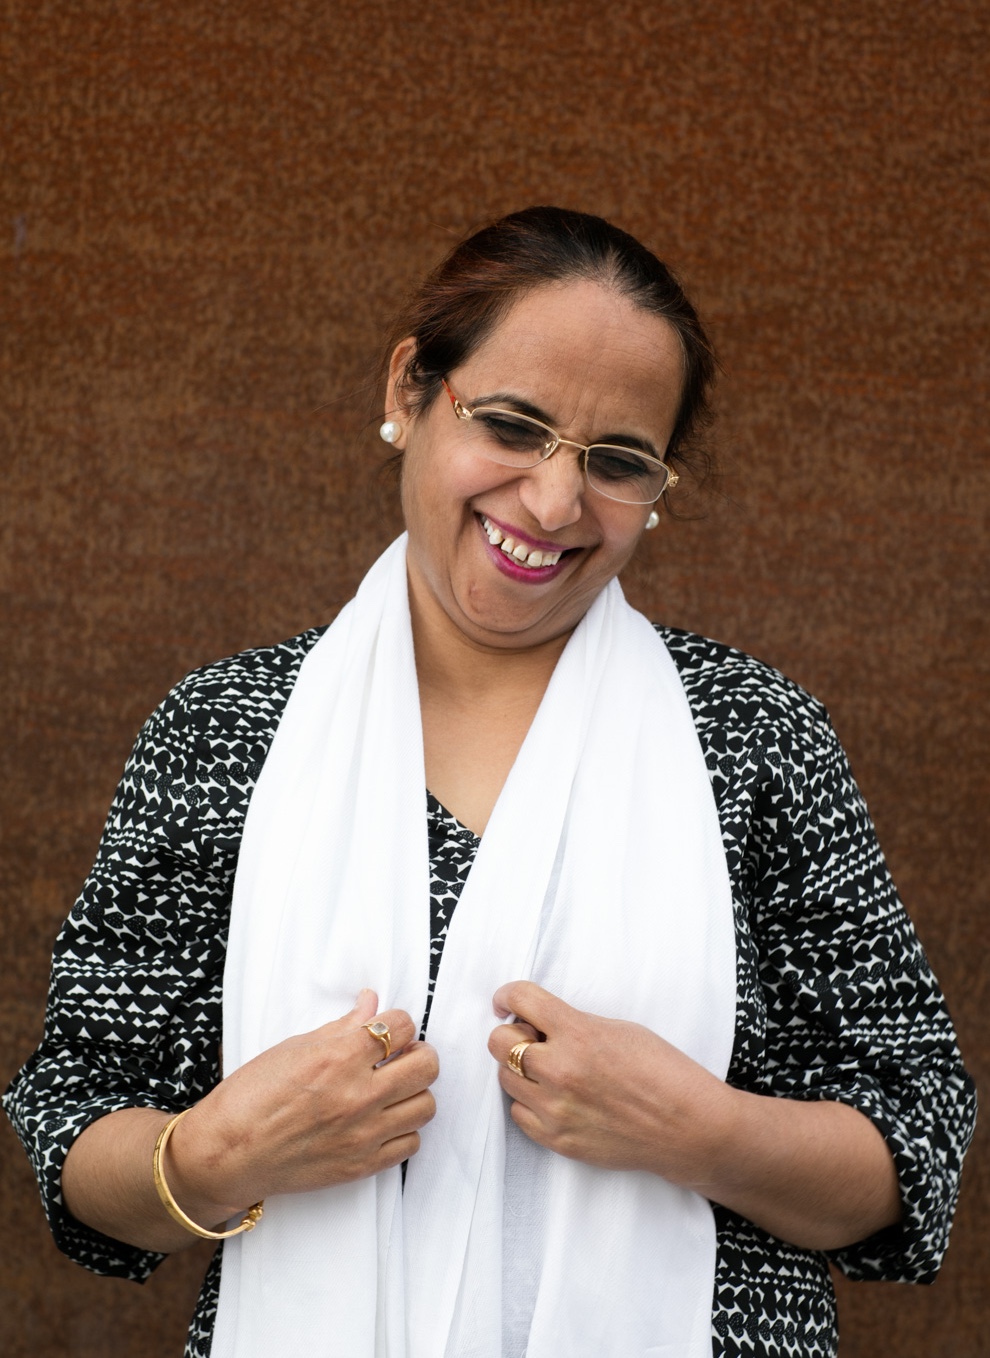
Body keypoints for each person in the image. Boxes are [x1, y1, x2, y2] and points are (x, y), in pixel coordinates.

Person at [4, 206, 975, 1358]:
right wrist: (220, 1152)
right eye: (513, 424)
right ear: (410, 390)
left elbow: (917, 1143)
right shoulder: (225, 732)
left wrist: (698, 1128)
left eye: (618, 461)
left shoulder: (756, 735)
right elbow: (76, 1134)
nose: (556, 503)